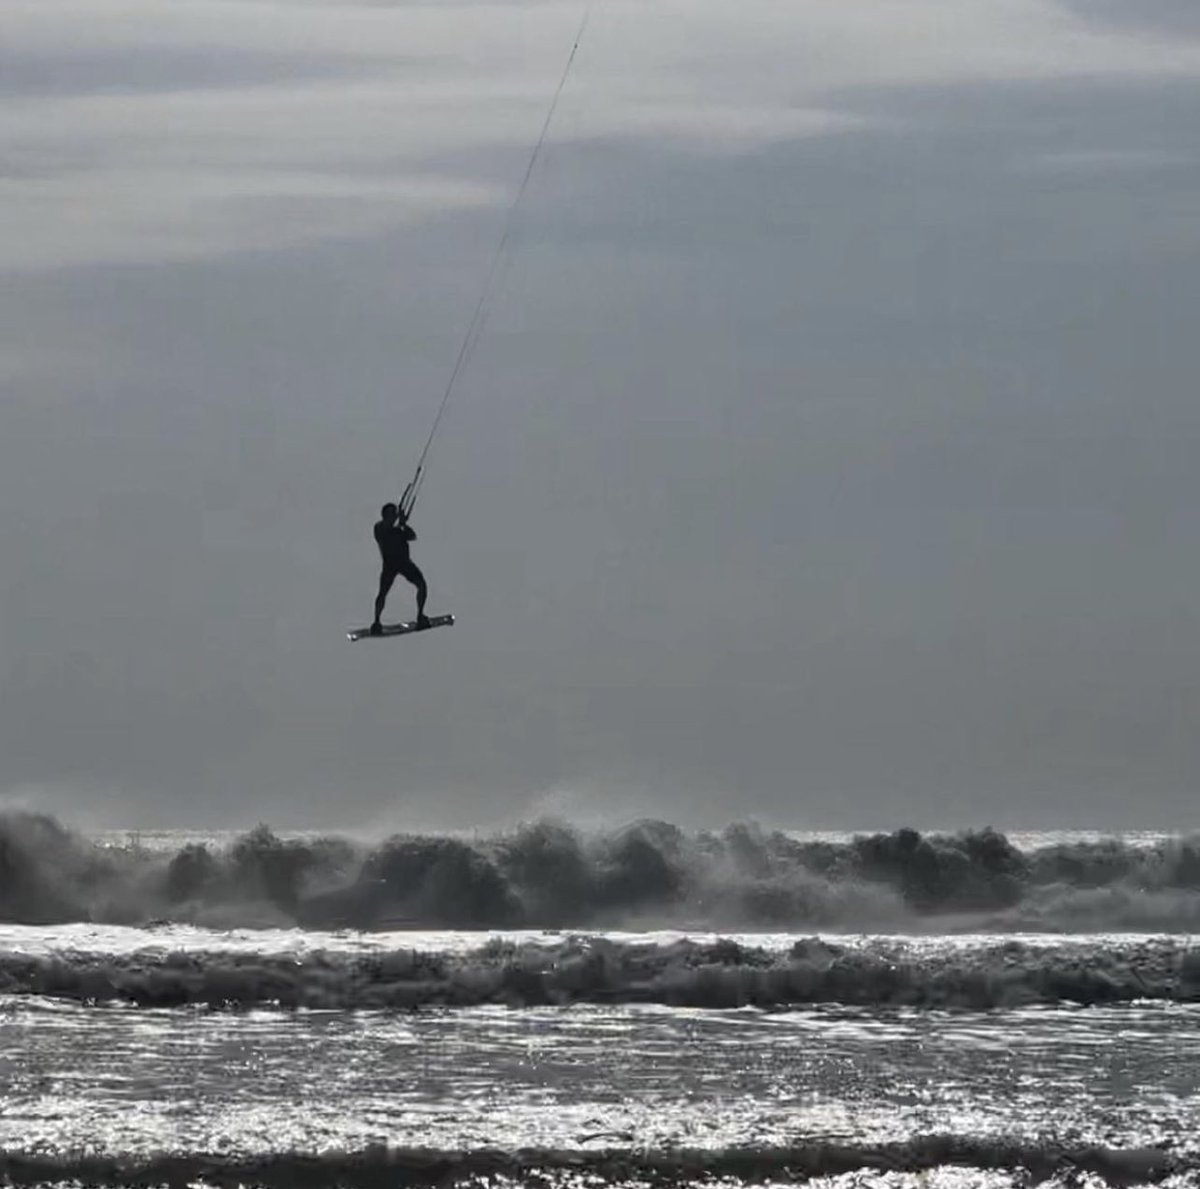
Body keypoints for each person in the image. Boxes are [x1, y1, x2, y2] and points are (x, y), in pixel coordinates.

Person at [371, 503, 428, 634]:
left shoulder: (399, 529)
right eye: (392, 514)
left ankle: (420, 615)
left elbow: (412, 536)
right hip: (390, 565)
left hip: (404, 563)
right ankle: (376, 621)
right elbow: (385, 530)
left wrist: (403, 523)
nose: (394, 517)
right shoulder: (379, 528)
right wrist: (400, 523)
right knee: (382, 593)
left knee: (422, 585)